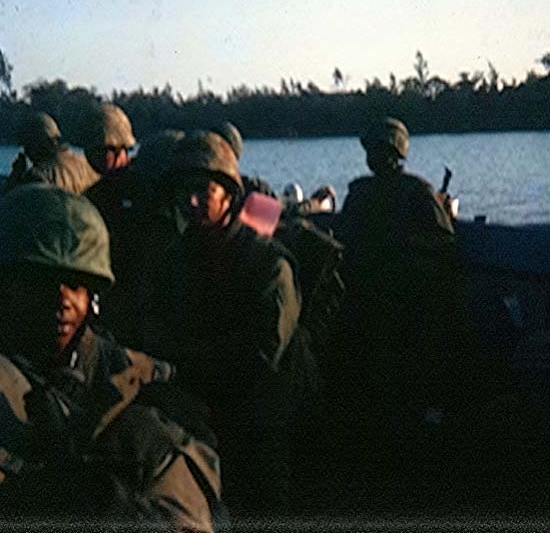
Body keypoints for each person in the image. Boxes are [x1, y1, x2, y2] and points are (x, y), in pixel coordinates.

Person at [0, 184, 224, 529]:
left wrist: (102, 503)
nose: (62, 300)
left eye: (75, 284)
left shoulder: (134, 392)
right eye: (41, 281)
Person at [145, 131, 319, 516]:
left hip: (262, 412)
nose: (191, 202)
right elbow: (155, 325)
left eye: (203, 191)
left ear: (229, 195)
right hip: (201, 406)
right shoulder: (177, 257)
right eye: (184, 192)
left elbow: (263, 353)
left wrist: (186, 362)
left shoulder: (268, 264)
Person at [332, 117, 469, 506]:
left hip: (373, 307)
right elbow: (444, 246)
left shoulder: (361, 193)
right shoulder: (415, 192)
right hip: (401, 311)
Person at [81, 103, 150, 350]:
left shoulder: (143, 188)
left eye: (99, 151)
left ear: (119, 149)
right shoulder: (96, 195)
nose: (91, 158)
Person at [4, 111, 99, 195]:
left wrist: (15, 178)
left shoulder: (38, 177)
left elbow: (11, 205)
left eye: (28, 146)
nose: (27, 152)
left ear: (38, 144)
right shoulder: (88, 165)